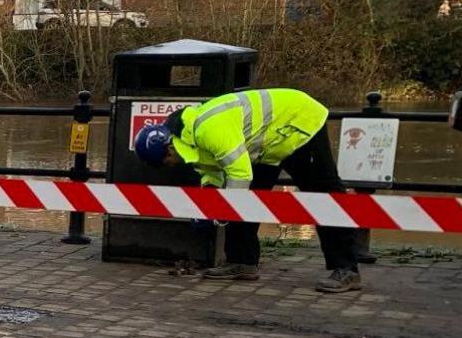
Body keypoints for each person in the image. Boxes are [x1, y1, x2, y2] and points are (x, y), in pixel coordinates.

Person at [135, 87, 360, 292]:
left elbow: (240, 175)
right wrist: (208, 203)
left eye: (163, 164)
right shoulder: (186, 140)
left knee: (325, 198)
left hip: (298, 125)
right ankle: (241, 261)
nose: (167, 168)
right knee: (247, 195)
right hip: (266, 143)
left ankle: (347, 269)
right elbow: (211, 173)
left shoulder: (208, 130)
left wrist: (223, 213)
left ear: (168, 152)